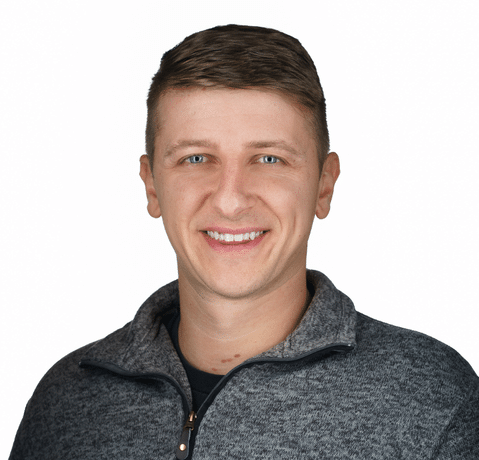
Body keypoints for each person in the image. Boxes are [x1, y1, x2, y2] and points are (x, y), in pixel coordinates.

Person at [9, 24, 478, 459]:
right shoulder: (64, 402)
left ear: (324, 185)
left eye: (269, 159)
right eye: (196, 158)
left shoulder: (435, 400)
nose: (231, 200)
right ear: (152, 186)